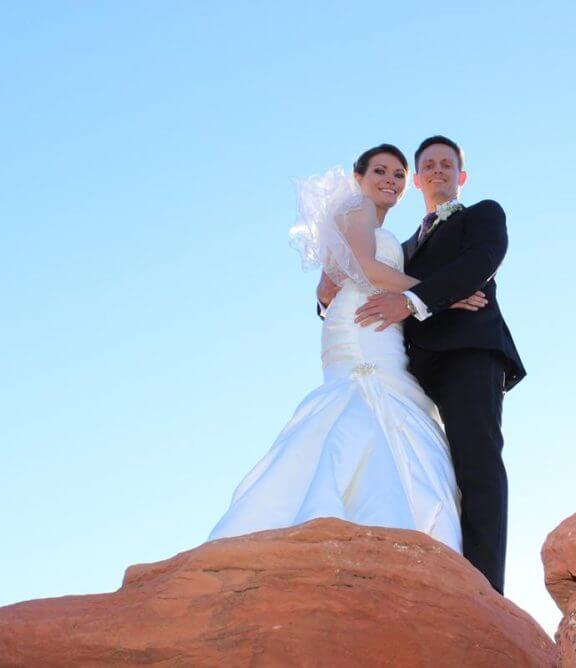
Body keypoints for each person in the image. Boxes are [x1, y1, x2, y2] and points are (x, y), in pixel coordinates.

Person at [209, 144, 484, 554]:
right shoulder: (354, 211)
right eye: (380, 171)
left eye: (397, 175)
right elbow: (368, 269)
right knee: (361, 406)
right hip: (361, 327)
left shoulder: (386, 230)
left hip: (380, 324)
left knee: (389, 414)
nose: (389, 181)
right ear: (358, 178)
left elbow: (333, 282)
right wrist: (443, 294)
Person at [320, 136, 525, 594]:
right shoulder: (405, 244)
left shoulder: (482, 215)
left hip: (469, 353)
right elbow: (355, 275)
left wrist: (417, 298)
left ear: (461, 175)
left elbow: (479, 263)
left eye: (446, 164)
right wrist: (332, 300)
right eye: (427, 165)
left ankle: (486, 590)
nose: (437, 170)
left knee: (477, 463)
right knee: (425, 469)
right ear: (417, 180)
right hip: (412, 367)